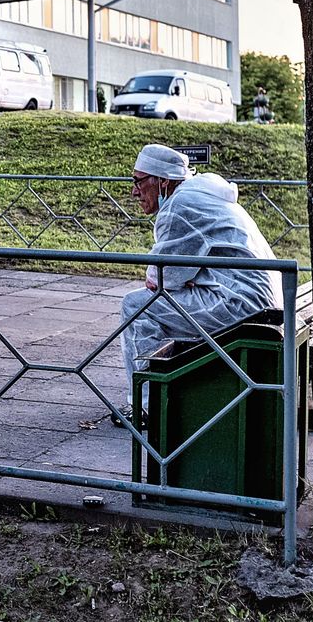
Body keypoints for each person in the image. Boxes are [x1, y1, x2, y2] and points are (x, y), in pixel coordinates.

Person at [115, 144, 283, 428]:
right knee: (155, 303)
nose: (134, 191)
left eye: (138, 181)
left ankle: (146, 407)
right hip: (261, 299)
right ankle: (174, 390)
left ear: (162, 181)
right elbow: (174, 274)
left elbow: (159, 279)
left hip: (243, 306)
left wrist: (180, 277)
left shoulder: (179, 206)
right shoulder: (201, 194)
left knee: (137, 307)